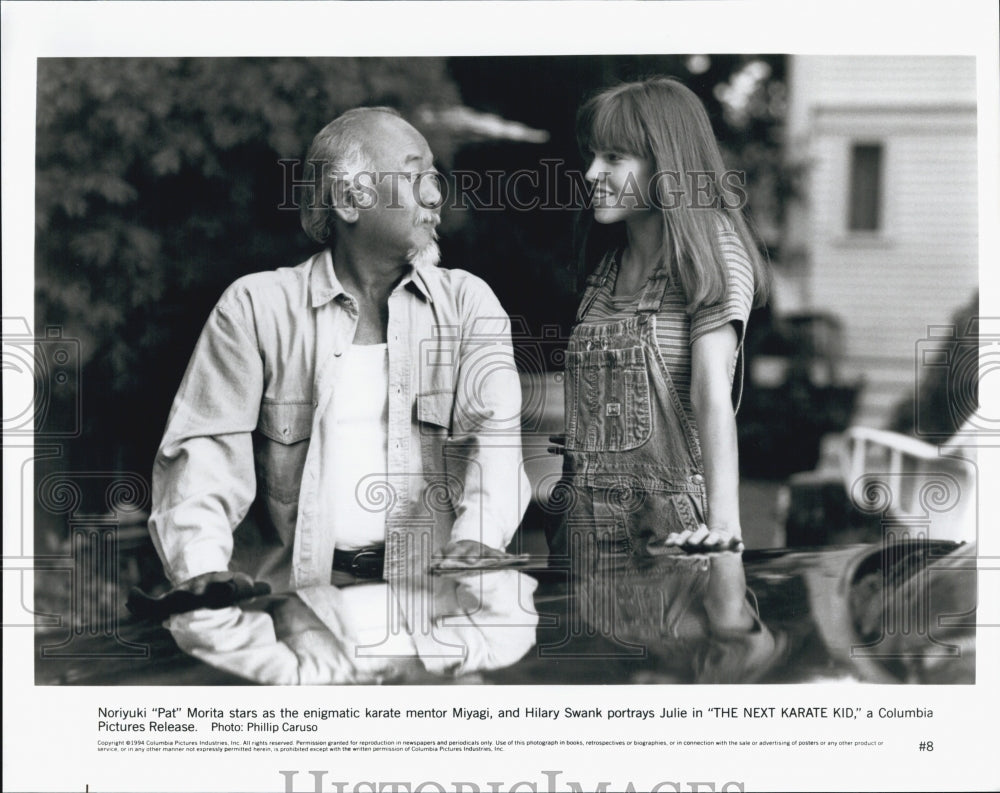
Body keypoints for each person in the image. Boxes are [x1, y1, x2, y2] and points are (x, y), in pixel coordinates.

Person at [148, 107, 536, 683]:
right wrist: (210, 581)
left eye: (435, 177)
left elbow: (495, 447)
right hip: (304, 616)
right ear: (350, 199)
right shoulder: (256, 308)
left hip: (445, 615)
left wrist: (476, 545)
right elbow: (201, 464)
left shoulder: (469, 305)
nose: (436, 195)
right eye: (416, 175)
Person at [550, 77, 781, 680]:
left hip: (673, 537)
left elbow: (712, 397)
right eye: (592, 156)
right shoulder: (604, 269)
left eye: (615, 157)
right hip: (583, 533)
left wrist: (724, 544)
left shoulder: (712, 254)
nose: (593, 172)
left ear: (666, 164)